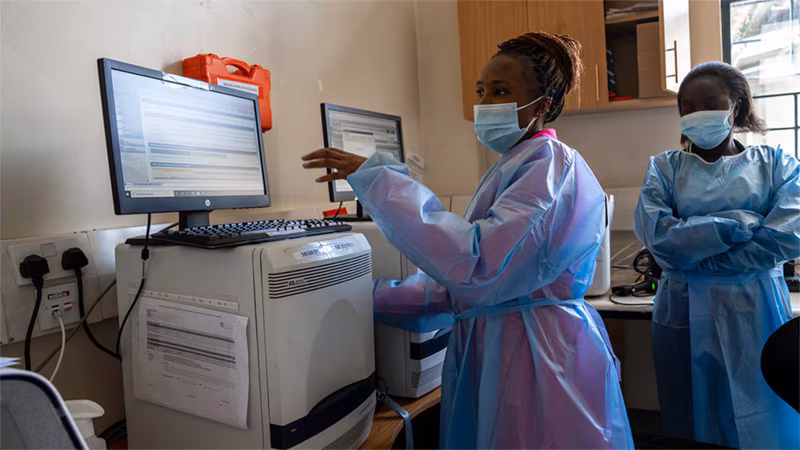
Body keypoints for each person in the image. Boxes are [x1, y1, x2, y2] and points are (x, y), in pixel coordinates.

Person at [303, 32, 633, 449]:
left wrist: (380, 181)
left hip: (537, 359)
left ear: (542, 105)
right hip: (503, 347)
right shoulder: (513, 166)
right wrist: (365, 297)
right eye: (481, 91)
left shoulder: (548, 167)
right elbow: (460, 285)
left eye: (500, 91)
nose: (484, 103)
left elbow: (478, 265)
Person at [634, 61, 800, 449]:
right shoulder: (664, 168)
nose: (696, 114)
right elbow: (661, 242)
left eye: (709, 104)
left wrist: (698, 251)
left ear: (735, 105)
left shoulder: (777, 164)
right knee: (689, 415)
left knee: (761, 407)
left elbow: (786, 236)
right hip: (683, 310)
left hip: (754, 308)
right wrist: (740, 223)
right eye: (687, 107)